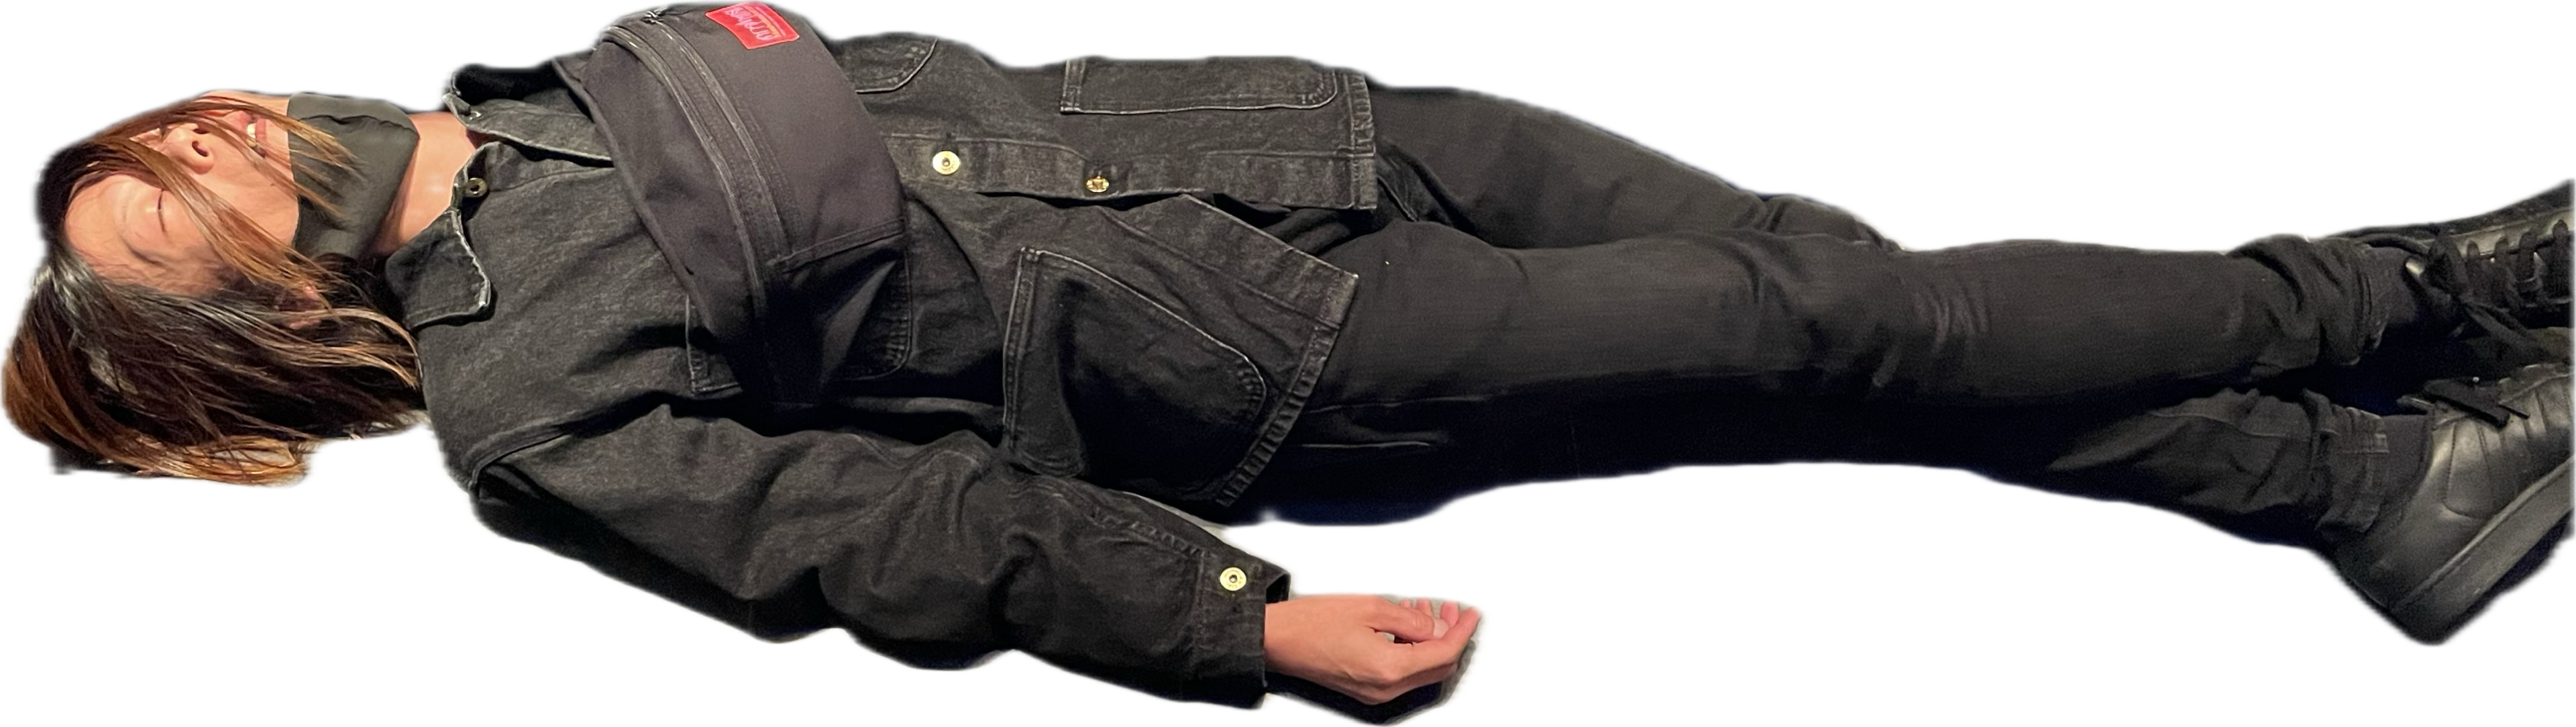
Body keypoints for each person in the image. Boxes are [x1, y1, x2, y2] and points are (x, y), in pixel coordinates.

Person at [10, 5, 2569, 723]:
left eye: (177, 127)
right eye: (177, 200)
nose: (220, 134)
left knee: (1848, 314)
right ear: (244, 314)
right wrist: (1243, 622)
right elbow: (908, 544)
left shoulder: (573, 76)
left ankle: (2365, 493)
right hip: (1297, 356)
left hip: (1322, 138)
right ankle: (2426, 296)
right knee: (1846, 325)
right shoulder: (531, 419)